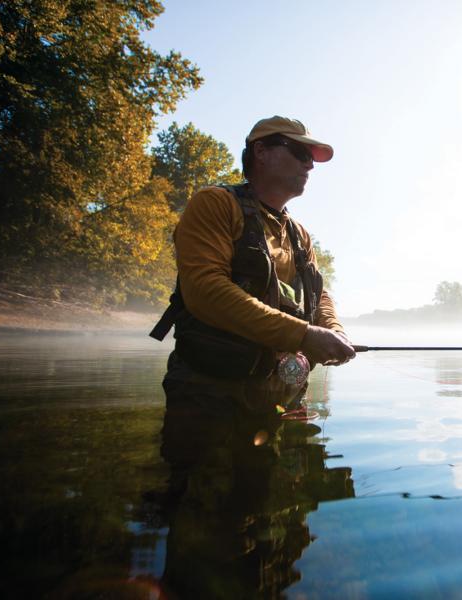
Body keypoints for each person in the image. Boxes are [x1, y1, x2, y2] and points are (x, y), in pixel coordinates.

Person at [148, 116, 356, 596]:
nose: (309, 165)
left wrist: (333, 332)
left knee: (276, 524)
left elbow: (321, 297)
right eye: (299, 153)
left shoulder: (299, 234)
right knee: (207, 539)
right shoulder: (215, 204)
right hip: (209, 396)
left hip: (278, 402)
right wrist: (304, 335)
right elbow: (205, 291)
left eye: (312, 159)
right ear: (261, 151)